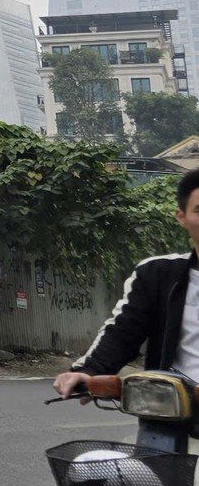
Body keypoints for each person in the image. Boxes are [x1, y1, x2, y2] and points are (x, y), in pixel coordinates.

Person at [54, 167, 199, 397]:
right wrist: (90, 371)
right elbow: (124, 330)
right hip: (175, 406)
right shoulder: (156, 274)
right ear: (181, 217)